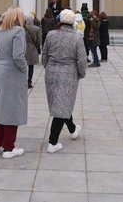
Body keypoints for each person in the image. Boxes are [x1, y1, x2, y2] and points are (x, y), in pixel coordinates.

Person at [42, 9, 86, 153]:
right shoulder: (77, 38)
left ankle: (73, 129)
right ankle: (52, 142)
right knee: (61, 107)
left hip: (51, 72)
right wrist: (81, 74)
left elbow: (44, 55)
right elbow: (82, 60)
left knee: (61, 103)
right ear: (72, 21)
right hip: (68, 73)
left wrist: (49, 67)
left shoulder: (50, 34)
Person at [0, 6, 28, 159]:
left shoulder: (0, 30)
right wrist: (24, 69)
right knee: (12, 109)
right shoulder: (18, 31)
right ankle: (9, 148)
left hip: (0, 71)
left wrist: (1, 63)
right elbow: (18, 56)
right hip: (13, 73)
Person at [24, 15, 42, 88]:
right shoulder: (37, 29)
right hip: (33, 49)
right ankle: (29, 81)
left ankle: (23, 80)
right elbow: (39, 40)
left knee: (23, 66)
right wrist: (38, 46)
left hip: (24, 48)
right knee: (31, 66)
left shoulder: (22, 28)